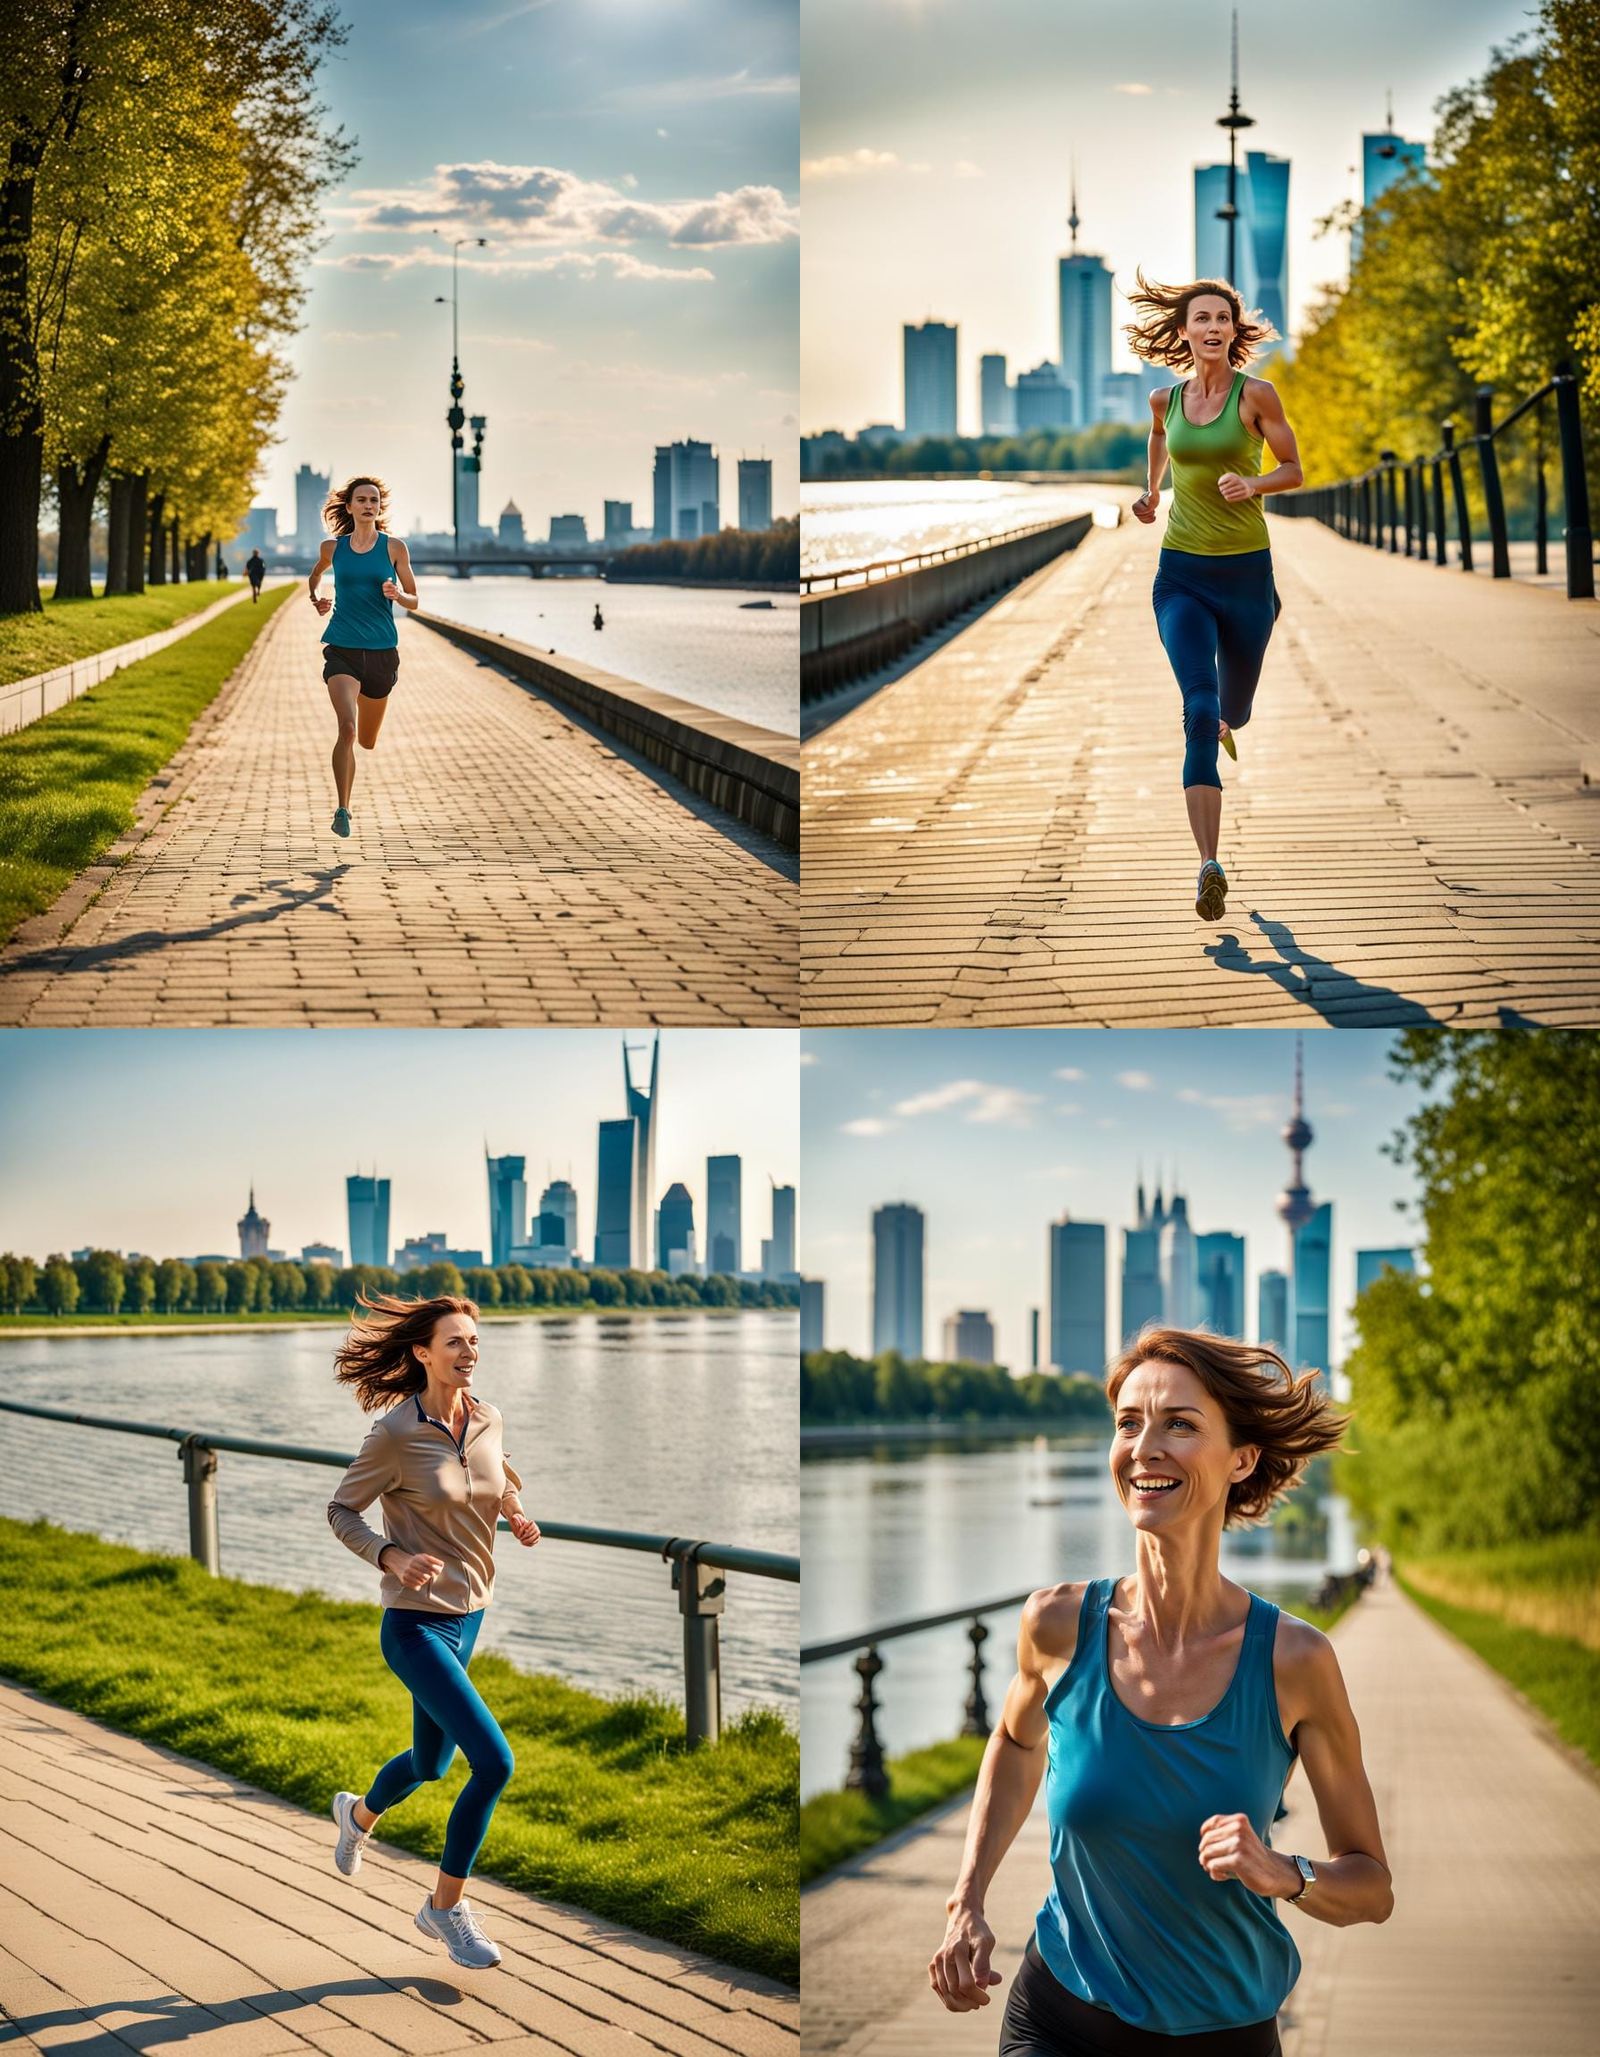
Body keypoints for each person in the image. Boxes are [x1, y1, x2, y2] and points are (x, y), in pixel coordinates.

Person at [929, 1327, 1391, 2056]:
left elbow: (1371, 1887)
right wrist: (967, 1900)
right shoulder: (1056, 1625)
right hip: (1058, 2019)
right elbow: (1016, 1744)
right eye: (1129, 1421)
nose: (1145, 1444)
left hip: (1224, 2036)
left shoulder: (1295, 1660)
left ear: (1241, 1458)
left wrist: (1283, 1873)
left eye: (1179, 1422)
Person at [325, 1293, 541, 1970]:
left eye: (474, 1341)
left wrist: (517, 1512)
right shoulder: (394, 1433)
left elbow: (497, 1477)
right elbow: (341, 1509)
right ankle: (444, 1908)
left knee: (430, 1763)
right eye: (455, 1342)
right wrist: (390, 1555)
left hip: (470, 1614)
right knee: (494, 1761)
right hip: (415, 1625)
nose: (469, 1352)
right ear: (422, 1351)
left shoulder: (487, 1417)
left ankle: (358, 1815)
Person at [1126, 273, 1304, 924]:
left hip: (1246, 577)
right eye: (1199, 318)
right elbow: (1157, 440)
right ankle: (1209, 864)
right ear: (1182, 332)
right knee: (1198, 708)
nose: (1211, 327)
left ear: (1233, 330)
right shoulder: (1162, 400)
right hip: (1181, 578)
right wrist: (1151, 493)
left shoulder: (1257, 395)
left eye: (1221, 319)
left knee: (1234, 710)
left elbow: (1294, 470)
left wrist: (1254, 484)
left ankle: (1231, 719)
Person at [307, 475, 420, 839]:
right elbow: (315, 577)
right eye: (362, 499)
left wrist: (398, 596)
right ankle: (343, 809)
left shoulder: (395, 549)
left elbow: (415, 598)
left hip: (382, 653)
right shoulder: (332, 548)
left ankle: (349, 788)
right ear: (350, 506)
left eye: (374, 500)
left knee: (367, 739)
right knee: (348, 728)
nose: (369, 505)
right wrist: (318, 599)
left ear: (378, 507)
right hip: (342, 647)